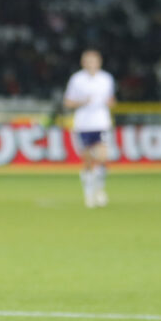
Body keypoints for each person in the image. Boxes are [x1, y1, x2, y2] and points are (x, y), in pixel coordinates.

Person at [63, 49, 116, 207]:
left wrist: (110, 103)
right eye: (88, 61)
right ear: (83, 63)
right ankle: (88, 193)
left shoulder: (106, 79)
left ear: (99, 62)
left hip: (101, 123)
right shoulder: (77, 79)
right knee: (87, 161)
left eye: (94, 61)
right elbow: (68, 102)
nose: (92, 64)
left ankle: (100, 190)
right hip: (84, 125)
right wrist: (82, 102)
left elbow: (111, 99)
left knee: (102, 156)